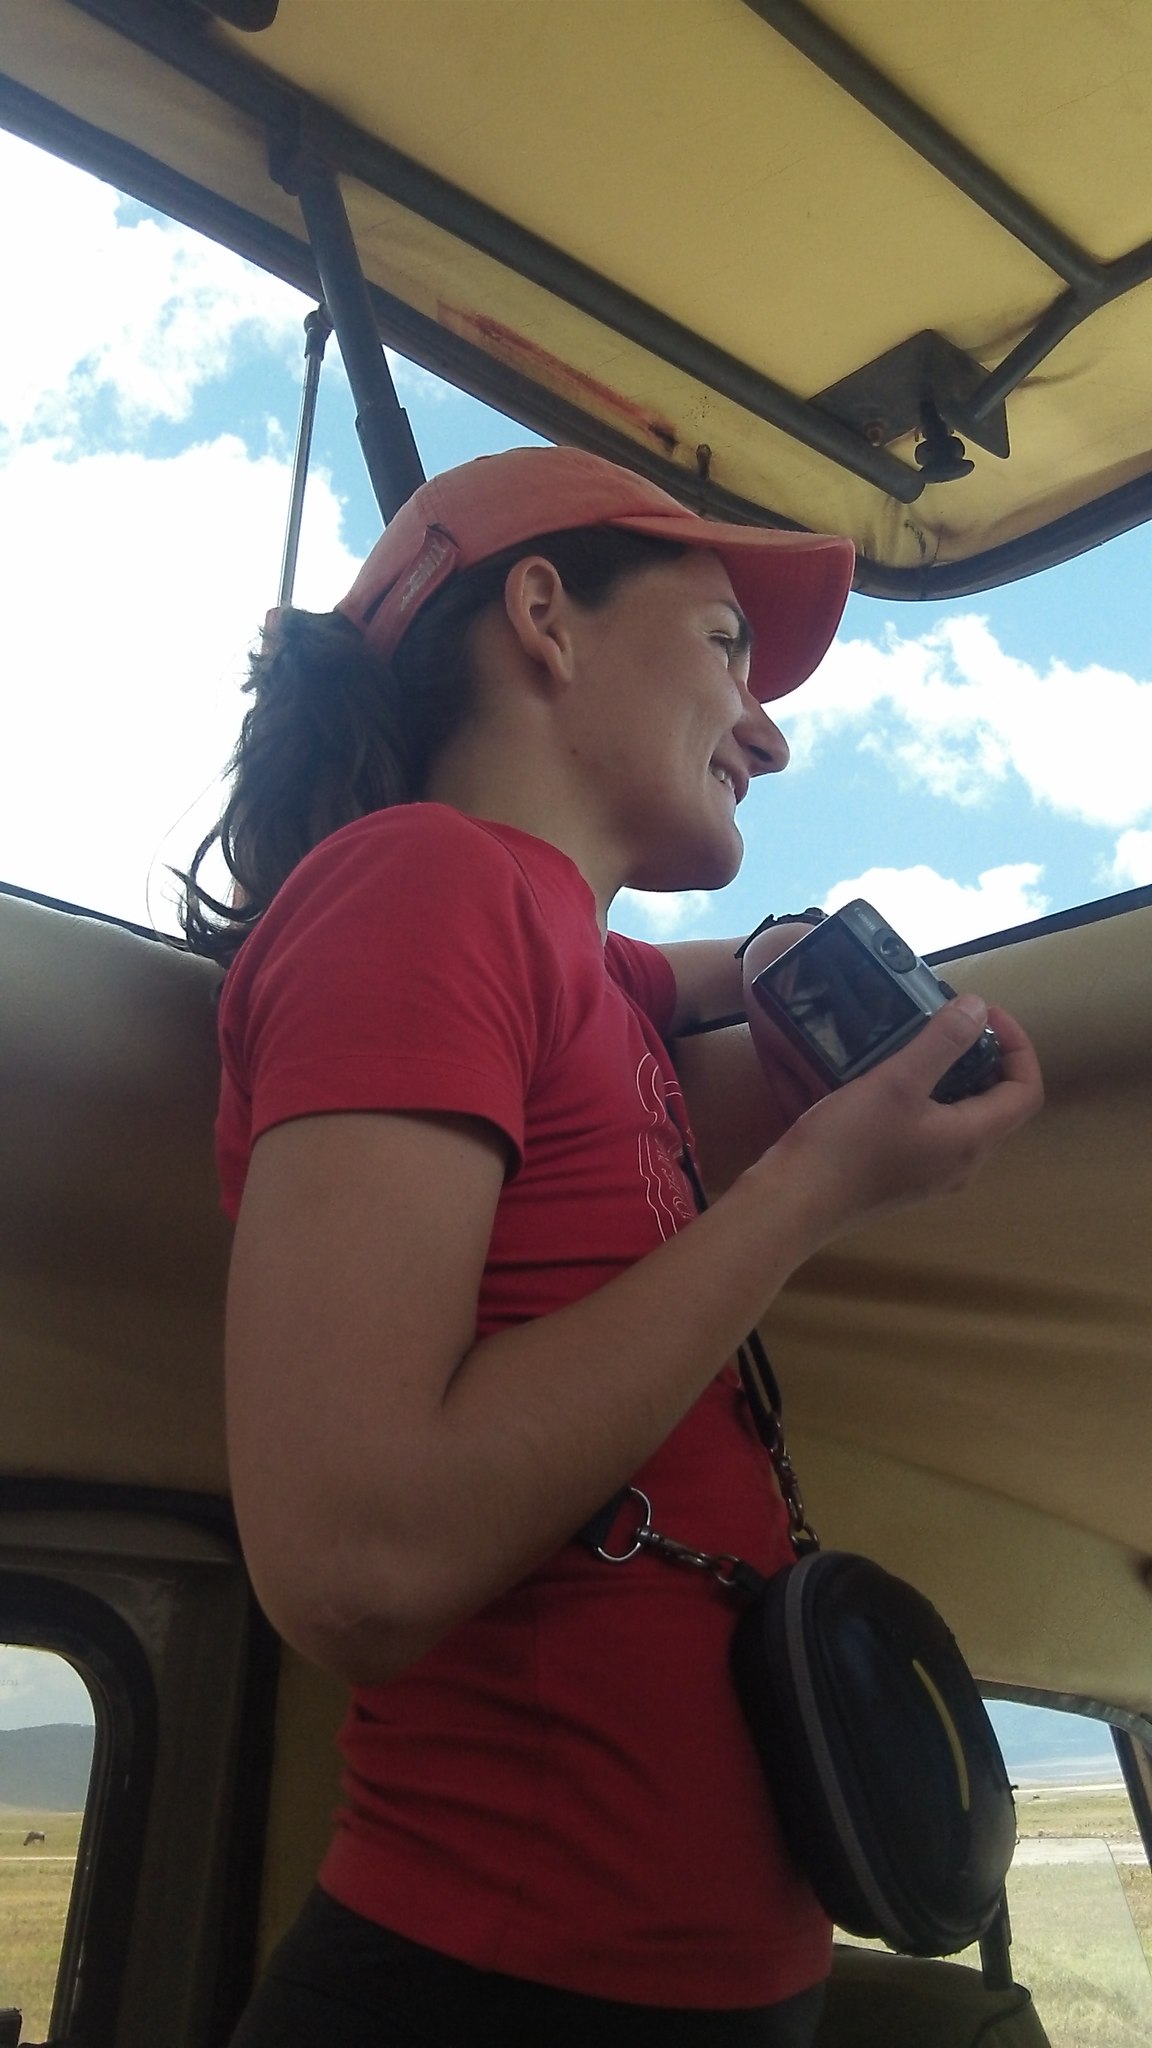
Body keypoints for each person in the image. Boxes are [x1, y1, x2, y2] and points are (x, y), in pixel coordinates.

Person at [185, 445, 1043, 2047]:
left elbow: (700, 974)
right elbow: (357, 1563)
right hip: (490, 1995)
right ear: (544, 619)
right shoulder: (418, 886)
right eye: (728, 648)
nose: (770, 733)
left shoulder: (570, 960)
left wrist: (792, 965)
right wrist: (814, 1187)